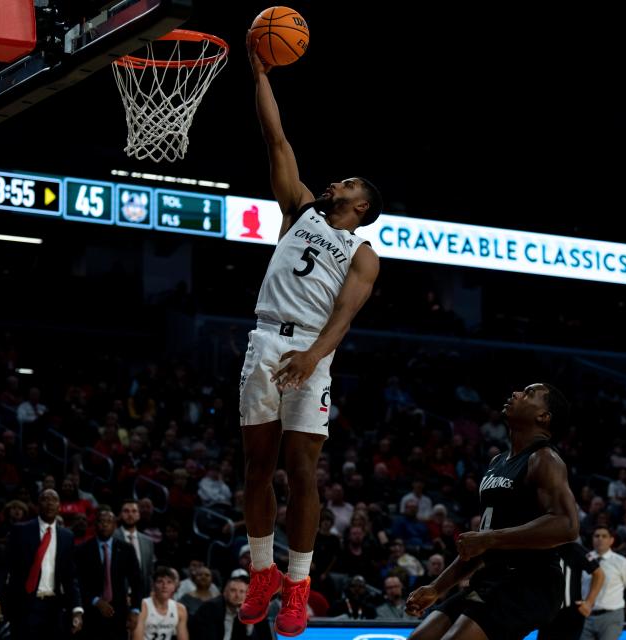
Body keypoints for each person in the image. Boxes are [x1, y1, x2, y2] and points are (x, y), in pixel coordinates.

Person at [239, 33, 383, 639]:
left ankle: (298, 585)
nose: (338, 182)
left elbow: (344, 318)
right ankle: (263, 571)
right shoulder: (298, 207)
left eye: (348, 182)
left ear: (362, 205)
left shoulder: (363, 253)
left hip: (312, 354)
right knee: (255, 468)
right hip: (267, 341)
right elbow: (277, 138)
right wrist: (260, 73)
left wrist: (311, 357)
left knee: (302, 470)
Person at [405, 383, 579, 640]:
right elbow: (483, 543)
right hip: (491, 579)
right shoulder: (497, 463)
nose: (516, 393)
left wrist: (490, 538)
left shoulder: (544, 459)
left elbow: (567, 525)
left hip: (531, 583)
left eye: (529, 393)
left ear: (543, 417)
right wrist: (436, 588)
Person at [4, 489, 83, 640]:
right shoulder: (21, 530)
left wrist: (77, 608)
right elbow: (6, 566)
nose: (50, 503)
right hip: (24, 605)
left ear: (59, 506)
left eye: (54, 499)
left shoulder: (67, 536)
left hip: (54, 606)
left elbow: (70, 577)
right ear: (37, 504)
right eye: (45, 499)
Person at [76, 507, 142, 640]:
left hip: (119, 614)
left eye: (109, 521)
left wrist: (135, 610)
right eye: (101, 521)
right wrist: (95, 601)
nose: (105, 524)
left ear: (115, 525)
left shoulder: (126, 549)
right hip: (91, 613)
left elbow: (137, 581)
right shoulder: (82, 550)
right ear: (95, 525)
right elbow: (78, 582)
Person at [580, 526, 626, 640]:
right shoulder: (584, 559)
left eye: (604, 536)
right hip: (585, 616)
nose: (600, 539)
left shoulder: (621, 562)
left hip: (612, 616)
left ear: (611, 540)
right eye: (597, 536)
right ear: (592, 539)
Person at [537, 542, 606, 640]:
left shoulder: (573, 548)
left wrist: (589, 603)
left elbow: (599, 574)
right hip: (547, 614)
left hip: (570, 614)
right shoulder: (540, 548)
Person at [189, 573, 272, 640]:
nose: (237, 595)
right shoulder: (210, 608)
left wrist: (249, 624)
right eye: (233, 590)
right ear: (225, 593)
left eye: (242, 592)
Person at [133, 566, 188, 640]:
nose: (164, 586)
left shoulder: (180, 609)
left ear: (174, 586)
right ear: (153, 585)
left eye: (169, 582)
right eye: (160, 581)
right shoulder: (143, 606)